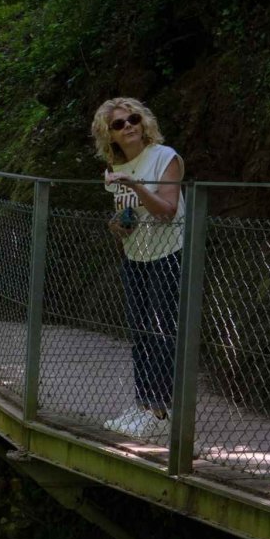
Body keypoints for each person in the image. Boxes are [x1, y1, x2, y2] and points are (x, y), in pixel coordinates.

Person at [91, 97, 185, 440]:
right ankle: (143, 404)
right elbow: (126, 214)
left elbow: (167, 211)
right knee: (141, 333)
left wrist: (135, 187)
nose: (128, 126)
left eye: (132, 119)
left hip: (168, 254)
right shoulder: (113, 171)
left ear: (143, 122)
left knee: (162, 333)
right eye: (118, 124)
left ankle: (161, 411)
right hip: (136, 257)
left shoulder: (165, 158)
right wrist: (118, 224)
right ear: (109, 134)